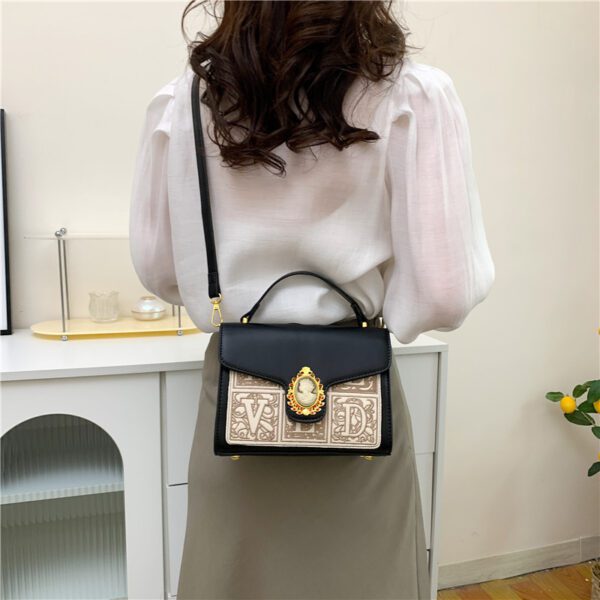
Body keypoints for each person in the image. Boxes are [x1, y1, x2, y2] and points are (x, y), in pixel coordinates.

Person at [129, 2, 496, 598]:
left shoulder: (185, 102)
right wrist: (380, 312)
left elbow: (160, 268)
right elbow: (443, 292)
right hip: (359, 391)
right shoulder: (411, 96)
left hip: (236, 395)